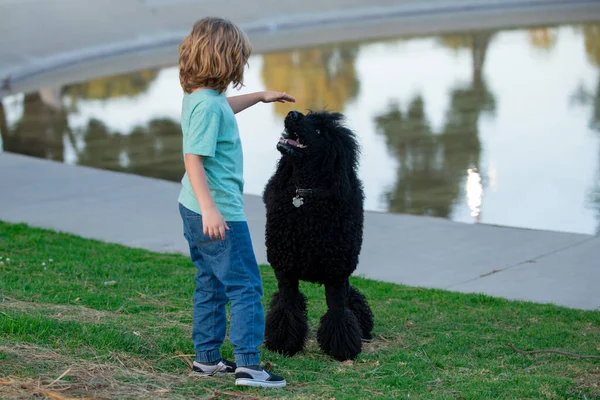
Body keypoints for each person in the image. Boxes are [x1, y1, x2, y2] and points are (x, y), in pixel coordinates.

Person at [177, 17, 295, 388]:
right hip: (217, 212)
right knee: (245, 285)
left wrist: (259, 97)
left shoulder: (201, 98)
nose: (241, 64)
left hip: (193, 207)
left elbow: (223, 107)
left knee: (211, 282)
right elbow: (193, 157)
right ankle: (248, 365)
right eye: (239, 58)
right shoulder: (209, 107)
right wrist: (211, 208)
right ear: (226, 61)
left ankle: (207, 360)